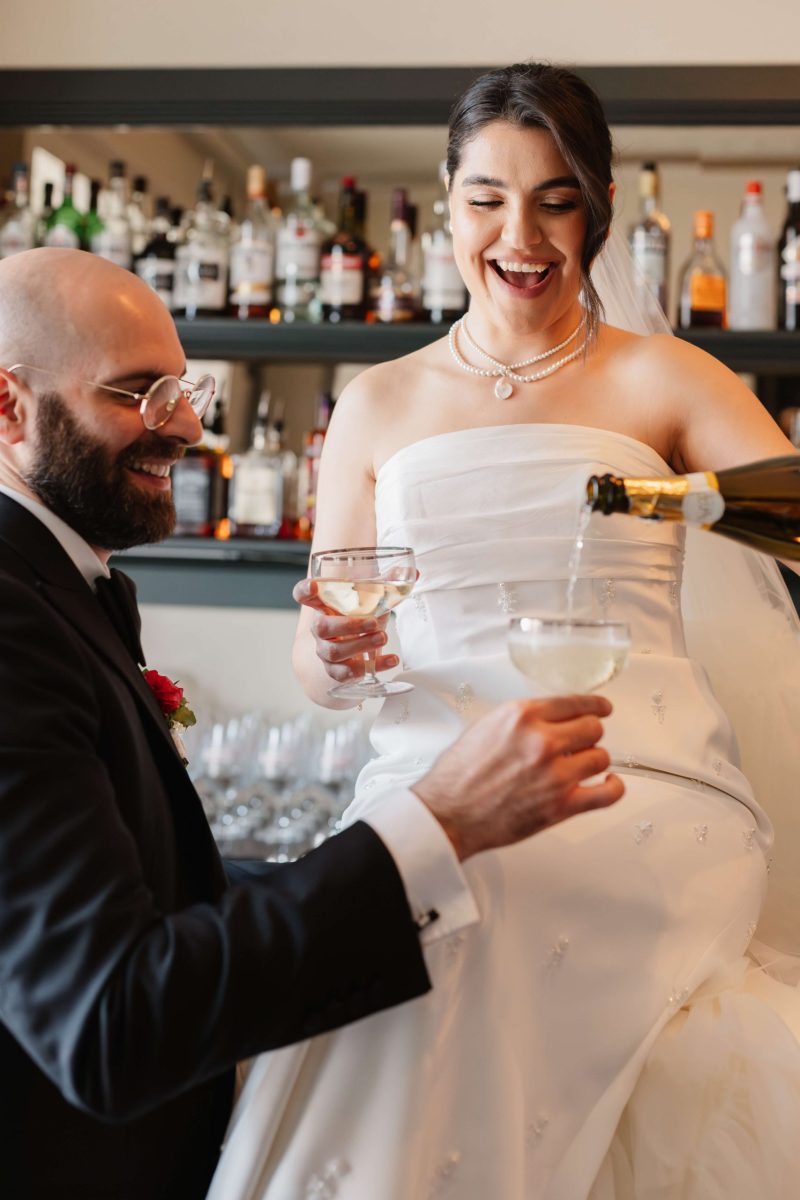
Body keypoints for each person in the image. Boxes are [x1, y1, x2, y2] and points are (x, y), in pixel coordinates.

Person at [208, 63, 800, 1200]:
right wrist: (329, 653)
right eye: (485, 197)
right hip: (430, 773)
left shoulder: (668, 377)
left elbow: (791, 513)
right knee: (393, 901)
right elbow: (323, 654)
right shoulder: (376, 404)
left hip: (637, 777)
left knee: (491, 895)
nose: (517, 234)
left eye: (554, 197)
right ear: (445, 200)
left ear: (598, 208)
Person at [0, 246, 622, 1200]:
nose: (186, 428)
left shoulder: (62, 590)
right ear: (8, 407)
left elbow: (152, 891)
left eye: (184, 388)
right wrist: (435, 822)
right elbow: (113, 1020)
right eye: (138, 394)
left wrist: (368, 863)